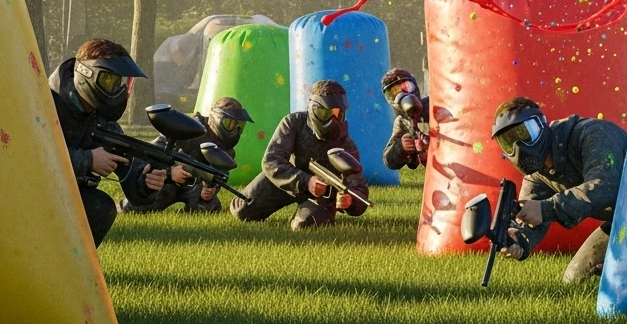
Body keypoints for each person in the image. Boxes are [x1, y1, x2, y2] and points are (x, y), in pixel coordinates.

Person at [490, 96, 627, 283]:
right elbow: (531, 221)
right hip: (620, 223)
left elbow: (605, 186)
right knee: (573, 281)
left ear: (540, 126)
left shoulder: (592, 134)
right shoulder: (537, 175)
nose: (518, 147)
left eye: (523, 134)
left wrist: (547, 209)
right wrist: (518, 240)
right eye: (509, 142)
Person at [49, 38, 167, 247]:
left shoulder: (101, 120)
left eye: (121, 83)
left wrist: (147, 181)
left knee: (100, 207)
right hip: (26, 197)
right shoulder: (47, 104)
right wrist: (87, 160)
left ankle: (71, 273)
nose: (118, 91)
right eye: (111, 82)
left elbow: (131, 173)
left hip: (62, 198)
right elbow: (30, 158)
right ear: (87, 74)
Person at [230, 79, 369, 230]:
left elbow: (358, 189)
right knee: (242, 210)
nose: (333, 120)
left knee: (303, 226)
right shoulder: (294, 122)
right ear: (313, 109)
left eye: (338, 113)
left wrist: (349, 202)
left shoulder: (346, 146)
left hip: (322, 195)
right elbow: (271, 161)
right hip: (287, 182)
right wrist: (306, 181)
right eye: (326, 113)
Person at [118, 96, 252, 215]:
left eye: (239, 125)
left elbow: (220, 176)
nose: (235, 129)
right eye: (230, 123)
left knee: (208, 207)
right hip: (164, 181)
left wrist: (209, 190)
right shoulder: (189, 127)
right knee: (135, 208)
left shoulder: (226, 150)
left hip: (194, 186)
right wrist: (171, 171)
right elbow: (154, 152)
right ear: (217, 118)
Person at [381, 68, 430, 170]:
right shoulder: (402, 122)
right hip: (437, 174)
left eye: (407, 86)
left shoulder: (432, 106)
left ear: (414, 86)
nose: (401, 94)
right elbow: (387, 159)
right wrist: (400, 148)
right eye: (394, 92)